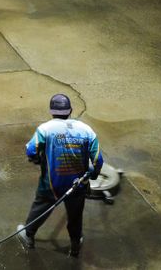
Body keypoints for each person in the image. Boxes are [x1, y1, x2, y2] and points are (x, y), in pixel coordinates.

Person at [17, 93, 104, 258]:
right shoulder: (87, 131)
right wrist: (93, 175)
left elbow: (31, 150)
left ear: (51, 112)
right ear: (70, 110)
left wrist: (37, 159)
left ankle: (28, 236)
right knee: (75, 216)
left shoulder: (45, 129)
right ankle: (75, 245)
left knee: (41, 207)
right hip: (78, 185)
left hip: (51, 184)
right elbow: (98, 160)